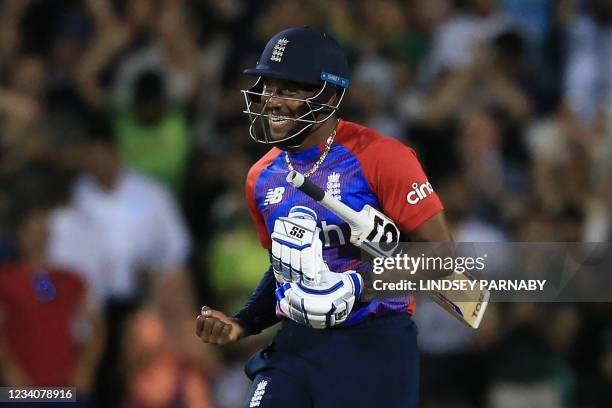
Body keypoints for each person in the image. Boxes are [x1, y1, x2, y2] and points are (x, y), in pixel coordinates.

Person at [196, 27, 450, 407]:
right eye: (268, 87)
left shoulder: (382, 158)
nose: (272, 101)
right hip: (296, 343)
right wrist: (245, 321)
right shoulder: (260, 178)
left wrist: (354, 285)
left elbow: (440, 256)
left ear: (330, 95)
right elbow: (282, 268)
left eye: (289, 89)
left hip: (373, 342)